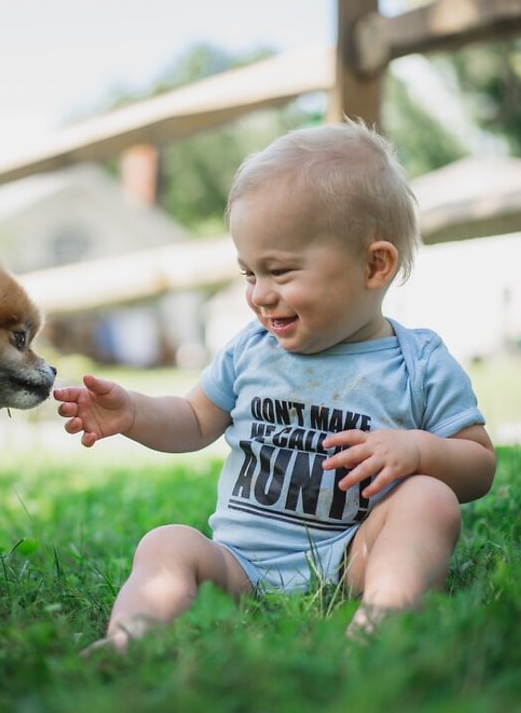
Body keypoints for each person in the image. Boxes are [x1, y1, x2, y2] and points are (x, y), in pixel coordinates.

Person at [54, 120, 496, 653]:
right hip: (238, 565)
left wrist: (419, 450)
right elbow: (195, 421)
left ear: (373, 265)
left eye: (281, 272)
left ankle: (384, 616)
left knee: (431, 499)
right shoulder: (250, 350)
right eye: (249, 274)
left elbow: (478, 465)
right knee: (166, 541)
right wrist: (135, 414)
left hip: (353, 557)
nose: (260, 295)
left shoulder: (418, 362)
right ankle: (132, 638)